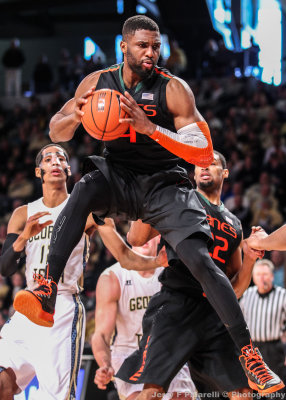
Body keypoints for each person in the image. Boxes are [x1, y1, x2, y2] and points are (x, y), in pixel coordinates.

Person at [14, 15, 282, 394]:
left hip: (165, 183)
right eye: (143, 46)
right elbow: (56, 130)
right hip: (120, 176)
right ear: (123, 46)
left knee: (198, 257)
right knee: (86, 188)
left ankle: (249, 356)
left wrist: (151, 128)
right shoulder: (97, 82)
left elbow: (204, 152)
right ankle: (45, 289)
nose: (151, 53)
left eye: (156, 46)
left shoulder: (174, 89)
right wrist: (75, 114)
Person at [0, 144, 165, 399]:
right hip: (29, 303)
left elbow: (124, 257)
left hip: (62, 308)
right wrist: (23, 237)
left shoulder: (90, 210)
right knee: (2, 384)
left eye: (61, 157)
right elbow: (5, 267)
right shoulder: (23, 214)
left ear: (68, 168)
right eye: (48, 158)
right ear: (38, 171)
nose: (55, 161)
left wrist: (158, 261)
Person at [116, 151, 280, 399]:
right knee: (152, 391)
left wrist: (249, 260)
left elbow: (233, 289)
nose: (204, 167)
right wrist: (148, 195)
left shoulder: (234, 223)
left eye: (212, 164)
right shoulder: (179, 199)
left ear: (224, 173)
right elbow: (136, 238)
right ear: (193, 173)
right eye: (199, 164)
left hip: (214, 313)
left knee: (243, 392)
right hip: (176, 304)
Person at [92, 235, 195, 400]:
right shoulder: (113, 277)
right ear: (130, 235)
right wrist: (105, 364)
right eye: (139, 228)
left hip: (169, 354)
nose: (143, 236)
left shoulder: (175, 273)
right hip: (131, 355)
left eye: (149, 230)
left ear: (158, 236)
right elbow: (101, 335)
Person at [240, 259, 286, 385]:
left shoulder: (282, 295)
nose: (261, 278)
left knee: (276, 389)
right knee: (255, 388)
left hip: (274, 349)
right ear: (253, 277)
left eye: (265, 274)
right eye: (258, 275)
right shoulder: (248, 294)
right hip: (253, 349)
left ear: (272, 276)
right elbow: (240, 321)